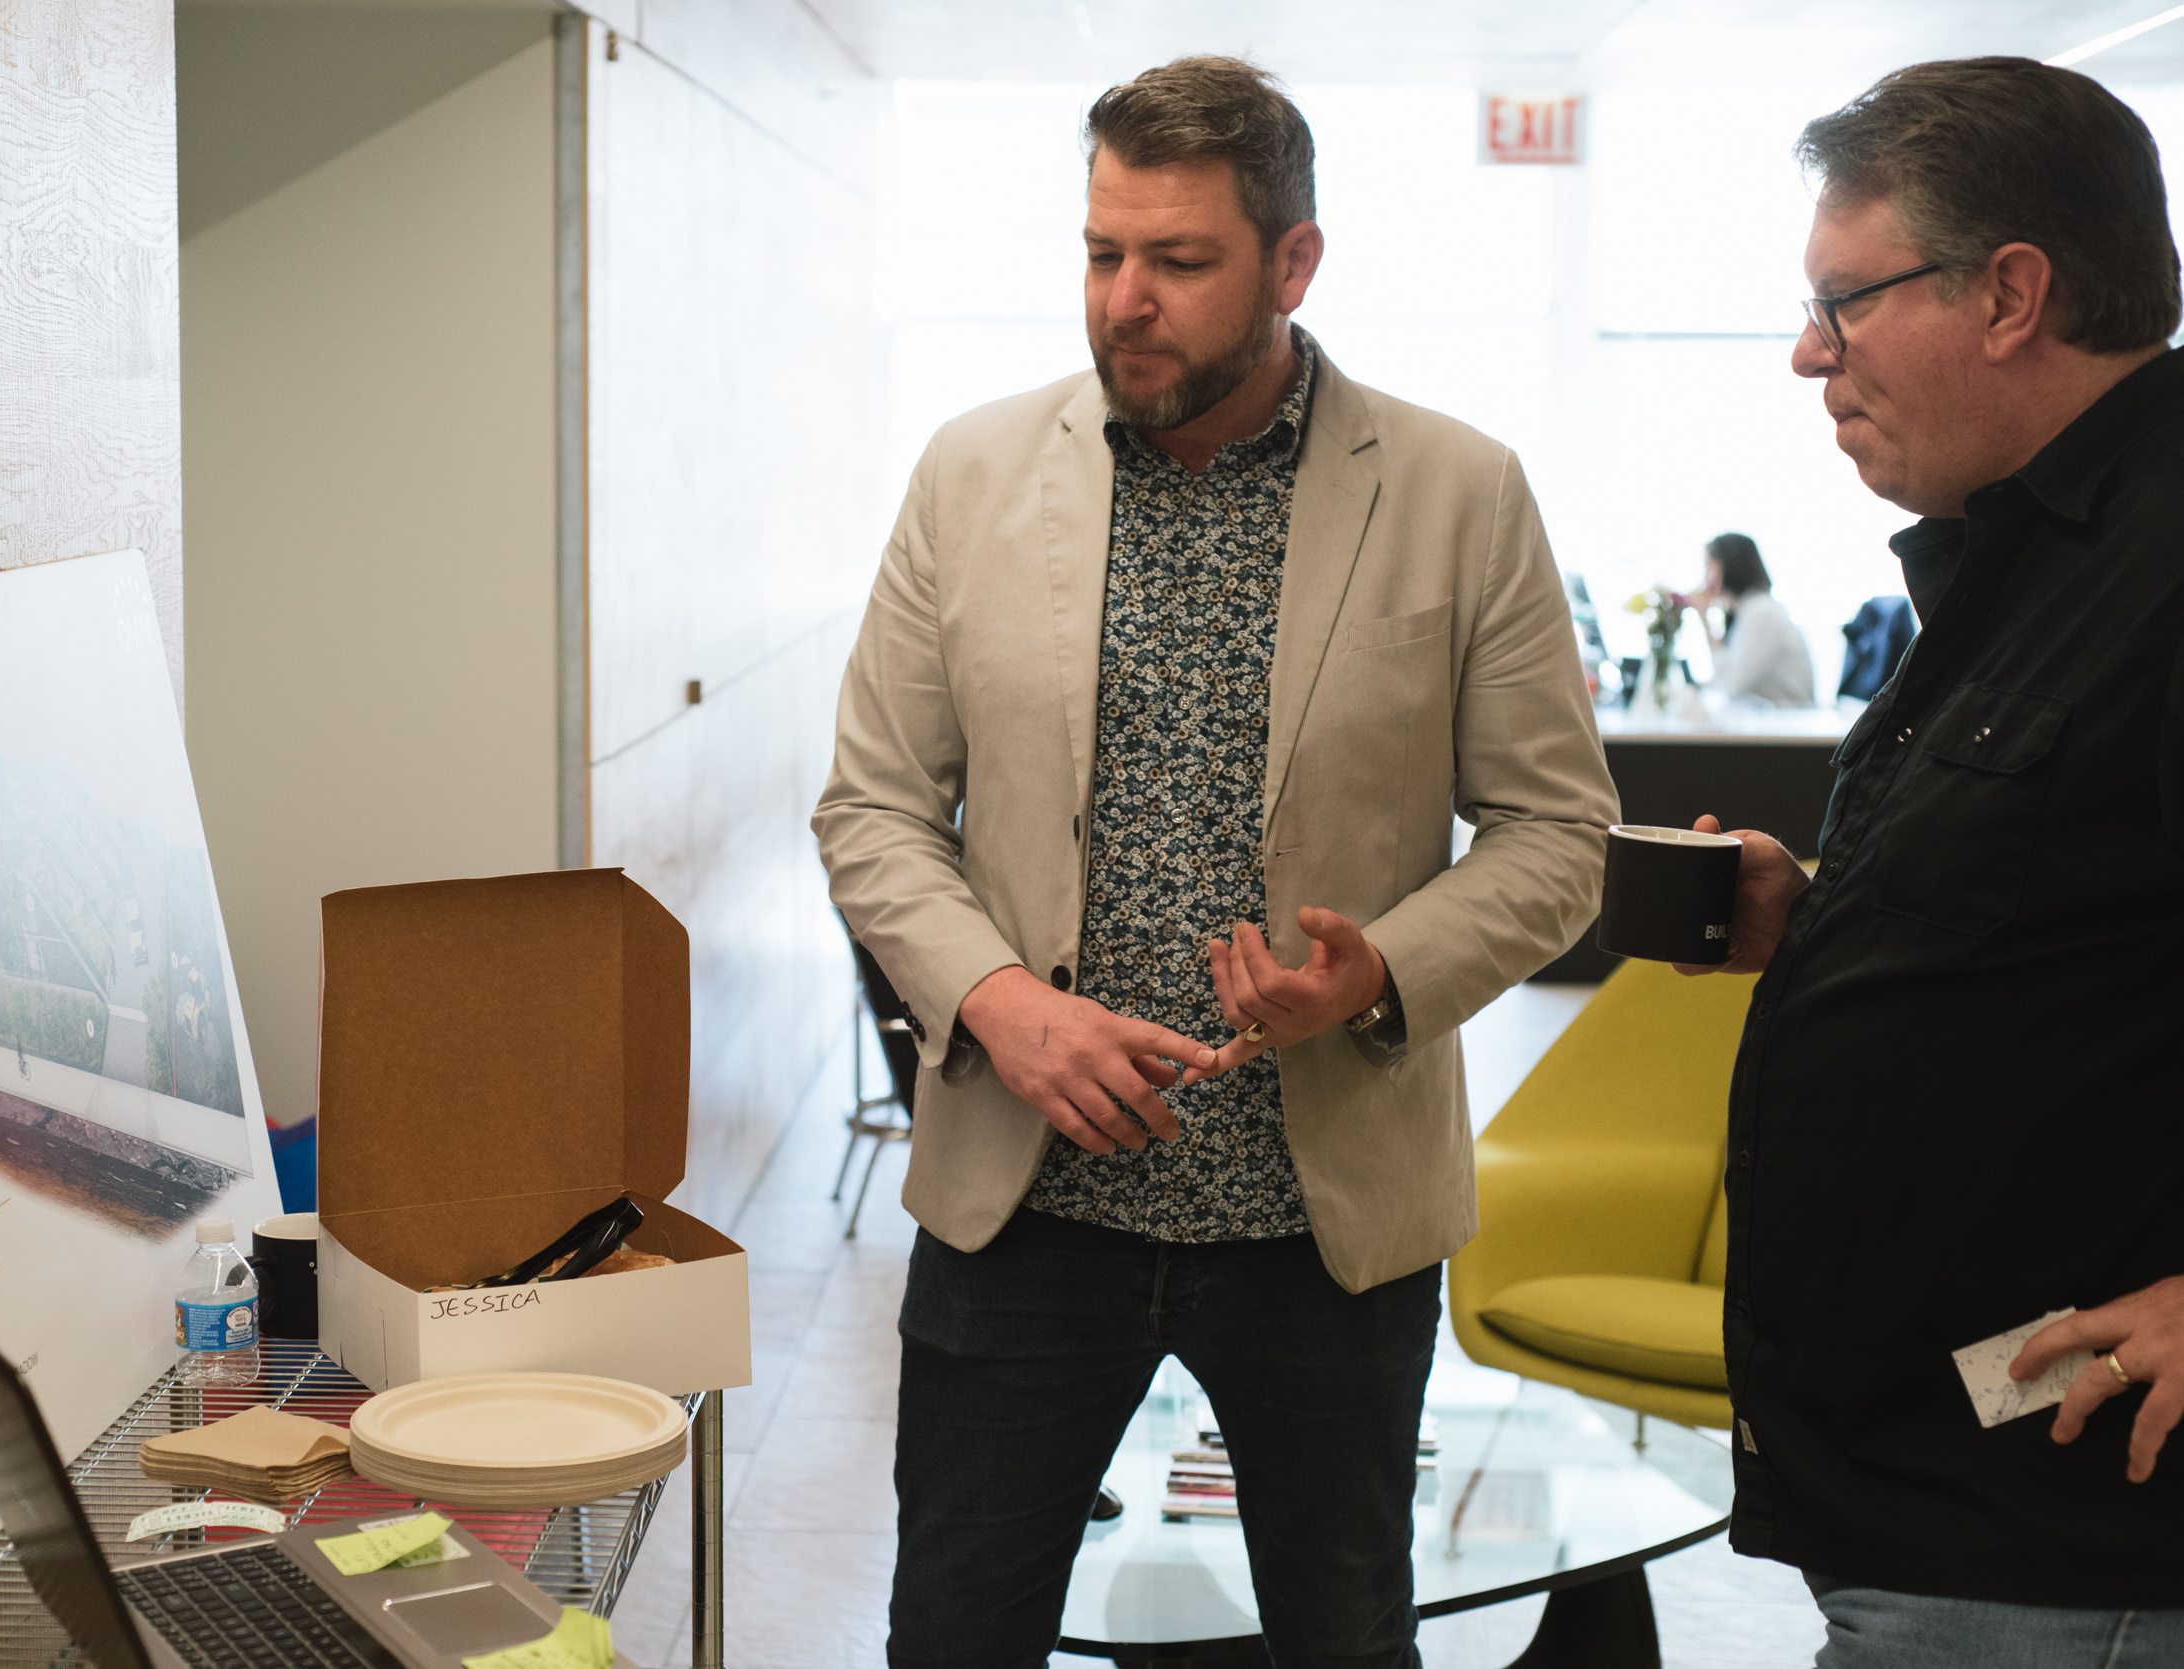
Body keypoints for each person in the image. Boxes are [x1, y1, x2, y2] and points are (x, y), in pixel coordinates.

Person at [812, 56, 1616, 1669]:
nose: (1127, 300)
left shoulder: (1459, 493)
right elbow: (872, 808)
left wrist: (1379, 967)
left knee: (1343, 1637)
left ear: (1293, 264)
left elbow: (1556, 836)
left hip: (1321, 1226)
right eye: (1103, 253)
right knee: (952, 1637)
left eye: (1178, 262)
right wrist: (1000, 1004)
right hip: (1022, 1208)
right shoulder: (971, 478)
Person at [1681, 57, 2184, 1665]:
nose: (1809, 353)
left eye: (1848, 301)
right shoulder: (2021, 563)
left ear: (2010, 294)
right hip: (1939, 1499)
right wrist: (1822, 917)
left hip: (2066, 1542)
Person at [1691, 532, 1815, 706]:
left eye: (1710, 567)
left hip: (1787, 723)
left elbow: (1733, 686)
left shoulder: (1762, 614)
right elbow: (1727, 676)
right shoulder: (1749, 611)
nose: (1706, 579)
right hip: (1773, 721)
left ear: (1729, 567)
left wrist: (1706, 623)